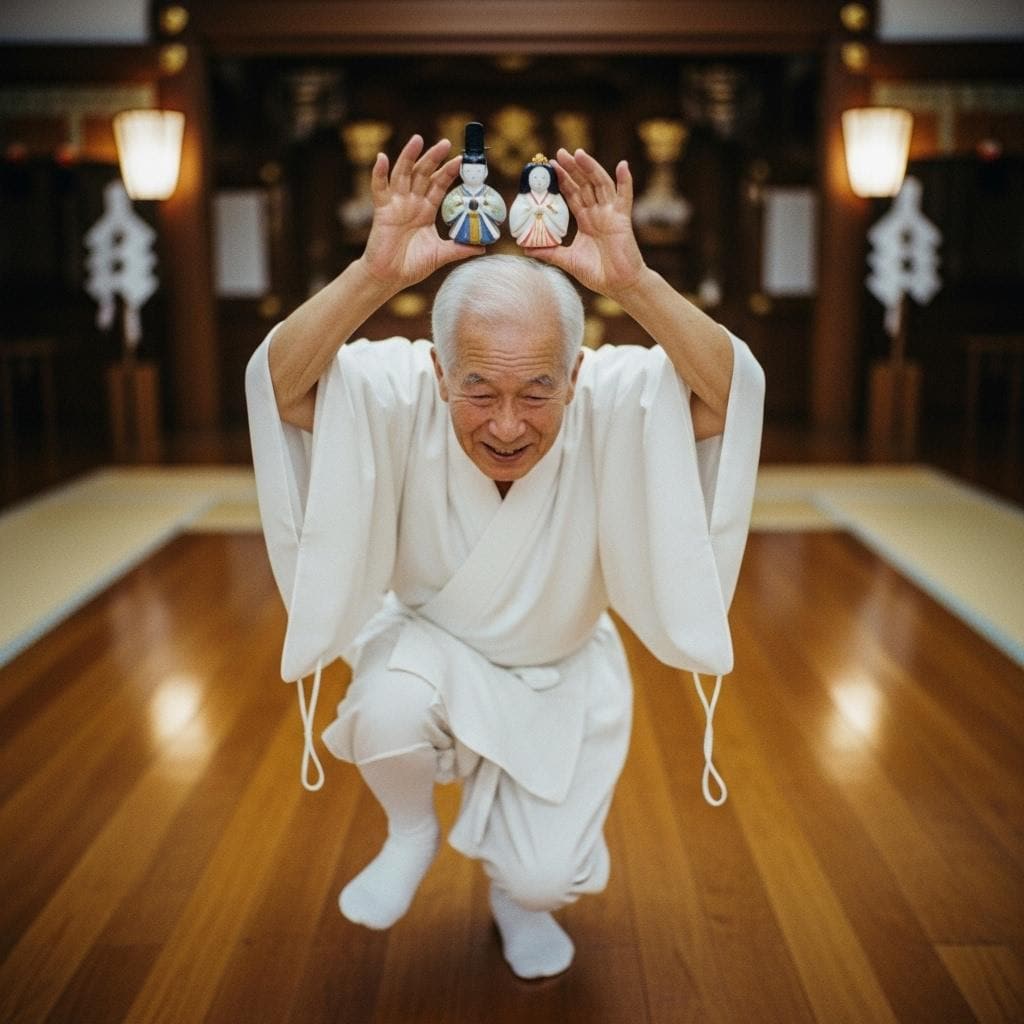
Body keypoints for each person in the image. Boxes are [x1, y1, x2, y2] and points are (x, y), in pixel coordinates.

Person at [245, 133, 764, 980]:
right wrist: (375, 275)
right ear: (440, 371)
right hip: (426, 654)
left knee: (546, 876)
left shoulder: (612, 398)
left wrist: (632, 282)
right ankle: (411, 830)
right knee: (385, 710)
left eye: (537, 391)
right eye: (479, 390)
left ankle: (514, 898)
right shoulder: (400, 387)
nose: (508, 424)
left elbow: (730, 397)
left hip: (556, 673)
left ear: (577, 373)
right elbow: (278, 391)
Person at [509, 154, 570, 248]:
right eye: (535, 178)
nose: (539, 181)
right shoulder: (523, 197)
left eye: (543, 178)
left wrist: (547, 209)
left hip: (550, 233)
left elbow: (560, 211)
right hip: (528, 233)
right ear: (527, 179)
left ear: (550, 180)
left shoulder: (554, 197)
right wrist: (529, 210)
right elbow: (517, 211)